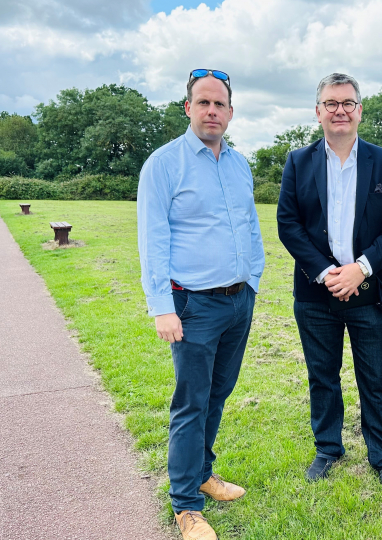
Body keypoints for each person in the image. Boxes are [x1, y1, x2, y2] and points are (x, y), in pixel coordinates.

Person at [137, 69, 264, 540]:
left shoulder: (238, 163)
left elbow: (249, 225)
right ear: (188, 107)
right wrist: (161, 306)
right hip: (191, 305)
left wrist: (253, 277)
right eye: (203, 102)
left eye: (220, 104)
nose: (212, 111)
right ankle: (186, 505)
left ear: (230, 112)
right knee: (191, 402)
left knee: (218, 393)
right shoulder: (164, 164)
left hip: (238, 302)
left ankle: (203, 473)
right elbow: (153, 238)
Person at [276, 73, 382, 489]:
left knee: (376, 375)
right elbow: (289, 224)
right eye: (331, 103)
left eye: (348, 103)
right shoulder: (298, 162)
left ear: (359, 110)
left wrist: (361, 268)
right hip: (316, 292)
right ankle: (328, 448)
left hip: (369, 290)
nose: (340, 110)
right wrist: (326, 271)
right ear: (318, 112)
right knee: (323, 374)